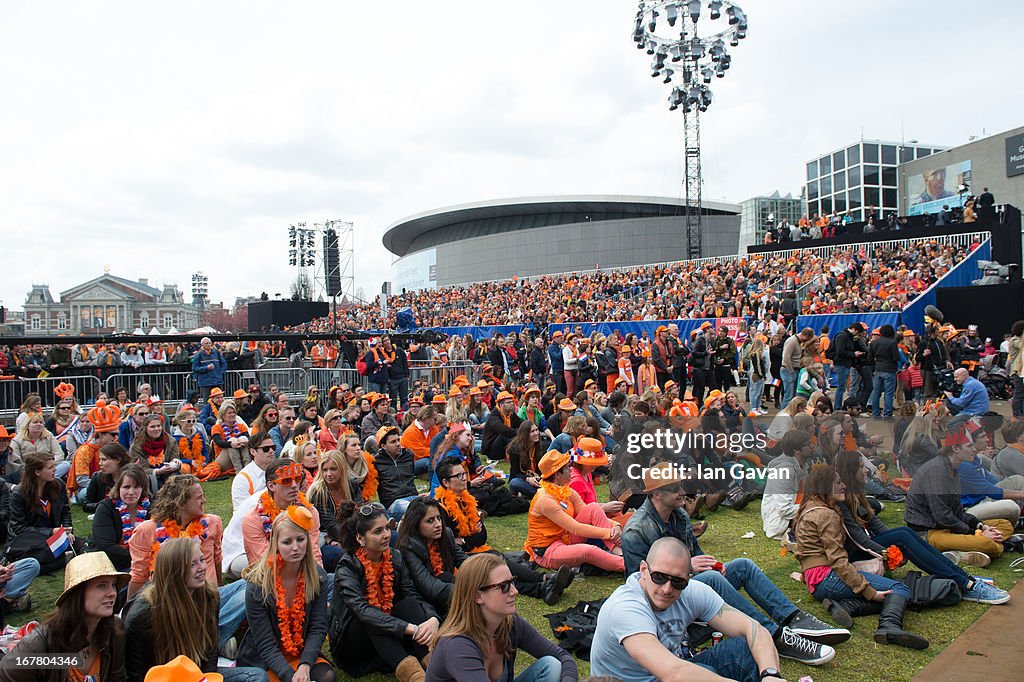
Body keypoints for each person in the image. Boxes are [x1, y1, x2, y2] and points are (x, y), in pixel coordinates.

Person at [622, 462, 841, 666]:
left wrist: (712, 564)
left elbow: (697, 554)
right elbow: (640, 585)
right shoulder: (637, 530)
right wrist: (689, 569)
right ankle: (775, 636)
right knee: (713, 581)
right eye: (674, 488)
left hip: (685, 584)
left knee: (742, 566)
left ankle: (794, 619)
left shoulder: (679, 515)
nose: (682, 491)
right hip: (666, 597)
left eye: (681, 485)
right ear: (656, 494)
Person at [832, 450, 1010, 612]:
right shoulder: (936, 474)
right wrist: (888, 553)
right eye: (862, 467)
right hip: (926, 534)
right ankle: (967, 583)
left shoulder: (952, 474)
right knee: (904, 534)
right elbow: (859, 540)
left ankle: (966, 578)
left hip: (932, 533)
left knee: (904, 534)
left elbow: (878, 526)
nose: (867, 471)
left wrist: (978, 526)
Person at [590, 537, 786, 682]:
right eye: (659, 577)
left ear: (688, 578)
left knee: (744, 649)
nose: (667, 589)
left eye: (677, 582)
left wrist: (770, 674)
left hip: (672, 670)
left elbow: (753, 629)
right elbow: (674, 673)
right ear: (643, 570)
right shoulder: (625, 608)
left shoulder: (693, 592)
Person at [794, 465, 929, 650]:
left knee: (889, 594)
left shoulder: (808, 509)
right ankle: (888, 627)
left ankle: (847, 606)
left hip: (817, 582)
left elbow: (806, 553)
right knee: (900, 590)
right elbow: (838, 561)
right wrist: (868, 591)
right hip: (827, 578)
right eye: (838, 482)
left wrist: (805, 577)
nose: (843, 486)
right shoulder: (826, 515)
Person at [125, 538, 269, 682]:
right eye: (192, 564)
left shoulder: (209, 597)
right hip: (160, 679)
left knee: (257, 676)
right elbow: (135, 673)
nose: (202, 567)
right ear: (173, 570)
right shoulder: (143, 614)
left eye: (202, 560)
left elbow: (210, 653)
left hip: (198, 675)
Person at [126, 474, 246, 646]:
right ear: (181, 503)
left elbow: (217, 560)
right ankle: (209, 640)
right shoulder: (147, 531)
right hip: (170, 604)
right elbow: (138, 576)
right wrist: (130, 609)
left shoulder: (213, 523)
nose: (204, 500)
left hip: (207, 599)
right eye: (199, 497)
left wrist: (219, 590)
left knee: (249, 586)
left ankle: (212, 637)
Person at [329, 501, 439, 682]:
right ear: (360, 538)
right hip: (354, 641)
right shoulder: (347, 566)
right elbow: (361, 611)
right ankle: (416, 678)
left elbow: (412, 594)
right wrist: (408, 628)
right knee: (371, 616)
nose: (387, 535)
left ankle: (435, 665)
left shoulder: (395, 557)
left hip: (388, 630)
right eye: (377, 531)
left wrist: (432, 618)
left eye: (387, 528)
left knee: (409, 604)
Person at [426, 552, 578, 682]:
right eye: (504, 586)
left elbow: (563, 657)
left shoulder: (509, 623)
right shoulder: (457, 645)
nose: (514, 591)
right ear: (477, 596)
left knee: (552, 666)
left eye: (512, 582)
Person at [237, 507, 334, 682]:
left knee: (326, 678)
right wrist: (290, 677)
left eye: (300, 539)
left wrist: (304, 666)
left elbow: (318, 628)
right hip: (265, 660)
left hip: (300, 653)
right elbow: (265, 645)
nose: (295, 547)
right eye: (287, 542)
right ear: (275, 544)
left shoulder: (317, 576)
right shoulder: (258, 585)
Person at [0, 553, 127, 681]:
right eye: (101, 586)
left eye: (113, 585)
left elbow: (117, 678)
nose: (112, 593)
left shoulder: (114, 631)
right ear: (78, 593)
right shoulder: (39, 645)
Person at [524, 450, 623, 573]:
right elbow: (575, 528)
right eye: (567, 468)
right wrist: (609, 532)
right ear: (557, 475)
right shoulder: (545, 500)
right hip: (548, 550)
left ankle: (619, 550)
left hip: (566, 538)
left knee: (593, 507)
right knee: (589, 551)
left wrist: (615, 526)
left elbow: (588, 512)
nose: (571, 470)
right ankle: (629, 565)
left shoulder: (566, 490)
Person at [956, 423, 1024, 526]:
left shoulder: (975, 459)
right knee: (1011, 506)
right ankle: (1018, 522)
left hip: (984, 498)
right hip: (970, 507)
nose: (987, 440)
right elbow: (992, 491)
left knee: (1017, 480)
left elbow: (995, 483)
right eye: (983, 437)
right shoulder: (964, 465)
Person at [91, 464, 151, 571]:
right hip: (113, 563)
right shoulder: (106, 507)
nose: (131, 492)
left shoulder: (151, 507)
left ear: (143, 488)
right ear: (118, 487)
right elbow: (106, 546)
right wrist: (141, 558)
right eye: (126, 487)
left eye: (136, 487)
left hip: (146, 562)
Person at [762, 431, 813, 542]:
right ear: (796, 450)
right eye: (808, 444)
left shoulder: (802, 465)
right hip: (780, 523)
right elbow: (785, 510)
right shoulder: (784, 471)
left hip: (798, 515)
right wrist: (813, 507)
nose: (812, 446)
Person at [68, 400, 122, 504]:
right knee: (84, 494)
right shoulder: (85, 450)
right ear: (101, 435)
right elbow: (82, 480)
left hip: (111, 483)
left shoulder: (115, 448)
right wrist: (103, 485)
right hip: (91, 487)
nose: (116, 438)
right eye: (113, 435)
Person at [129, 414, 184, 492]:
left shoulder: (170, 441)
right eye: (152, 427)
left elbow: (175, 458)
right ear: (145, 428)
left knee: (177, 478)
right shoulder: (137, 446)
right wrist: (158, 471)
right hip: (148, 477)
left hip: (168, 474)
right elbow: (139, 469)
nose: (156, 429)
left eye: (158, 426)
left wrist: (175, 463)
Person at [9, 414, 69, 482]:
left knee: (66, 465)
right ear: (27, 425)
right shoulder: (17, 440)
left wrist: (50, 466)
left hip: (48, 468)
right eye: (35, 422)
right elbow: (16, 460)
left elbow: (59, 453)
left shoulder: (49, 436)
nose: (38, 424)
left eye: (41, 422)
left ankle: (45, 480)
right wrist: (29, 470)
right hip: (28, 471)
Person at [374, 425, 419, 515]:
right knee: (411, 509)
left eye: (398, 440)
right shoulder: (376, 462)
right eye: (393, 442)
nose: (398, 444)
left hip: (413, 497)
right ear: (383, 446)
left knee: (432, 505)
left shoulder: (408, 455)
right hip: (393, 502)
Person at [231, 432, 277, 510]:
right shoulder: (242, 479)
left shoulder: (279, 470)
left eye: (273, 447)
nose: (271, 451)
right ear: (253, 452)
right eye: (266, 449)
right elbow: (242, 511)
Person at [82, 443, 131, 514]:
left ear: (117, 460)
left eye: (104, 459)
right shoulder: (98, 477)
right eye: (100, 459)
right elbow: (86, 505)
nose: (100, 463)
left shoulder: (133, 477)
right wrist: (104, 506)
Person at [868, 324, 900, 420]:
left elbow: (869, 358)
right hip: (889, 369)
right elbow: (896, 357)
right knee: (888, 393)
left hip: (878, 369)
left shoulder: (874, 343)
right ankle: (887, 414)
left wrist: (873, 368)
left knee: (876, 392)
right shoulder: (892, 343)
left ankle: (875, 413)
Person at [506, 420, 543, 499]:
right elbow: (515, 473)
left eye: (537, 430)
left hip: (537, 479)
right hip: (523, 479)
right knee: (514, 483)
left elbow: (542, 468)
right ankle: (540, 493)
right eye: (532, 431)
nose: (536, 433)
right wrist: (528, 479)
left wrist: (539, 478)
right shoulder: (515, 449)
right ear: (525, 434)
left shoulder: (540, 446)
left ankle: (529, 493)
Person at [482, 392, 522, 463]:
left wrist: (528, 428)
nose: (512, 404)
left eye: (512, 402)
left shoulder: (511, 414)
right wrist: (520, 433)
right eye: (508, 403)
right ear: (501, 405)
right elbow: (503, 430)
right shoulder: (494, 416)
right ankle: (515, 456)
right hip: (492, 451)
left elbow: (522, 423)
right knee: (505, 434)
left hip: (502, 447)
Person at [782, 328, 813, 407]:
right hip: (788, 370)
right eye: (807, 339)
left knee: (792, 396)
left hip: (793, 370)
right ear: (805, 335)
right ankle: (783, 416)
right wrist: (791, 371)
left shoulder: (798, 342)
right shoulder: (792, 341)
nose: (806, 341)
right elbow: (786, 357)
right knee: (788, 396)